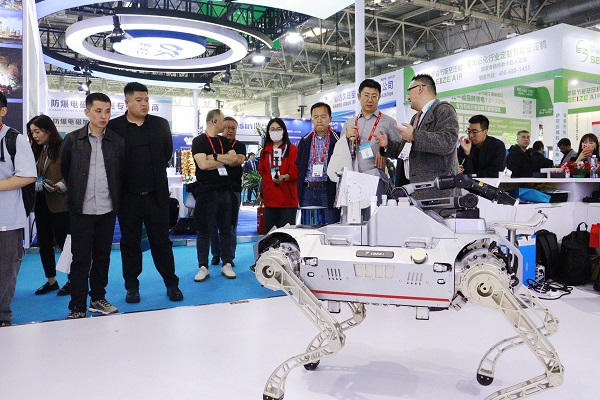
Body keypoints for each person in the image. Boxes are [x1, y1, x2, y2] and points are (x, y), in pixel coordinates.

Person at [107, 82, 183, 304]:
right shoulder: (114, 127)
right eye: (139, 100)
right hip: (128, 198)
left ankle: (172, 284)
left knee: (162, 243)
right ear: (127, 102)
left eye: (147, 100)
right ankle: (132, 287)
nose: (144, 104)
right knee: (130, 244)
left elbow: (166, 153)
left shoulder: (160, 125)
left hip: (156, 197)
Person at [61, 92, 125, 319]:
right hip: (81, 209)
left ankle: (98, 299)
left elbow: (121, 173)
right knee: (80, 259)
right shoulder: (72, 140)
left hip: (107, 209)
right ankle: (77, 306)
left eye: (107, 111)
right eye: (98, 111)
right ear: (87, 112)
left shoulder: (117, 142)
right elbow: (66, 170)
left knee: (102, 257)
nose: (103, 116)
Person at [375, 74, 459, 199]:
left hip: (437, 192)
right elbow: (406, 151)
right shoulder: (416, 117)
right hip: (414, 190)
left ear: (420, 88)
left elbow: (448, 142)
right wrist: (388, 145)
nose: (408, 97)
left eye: (409, 91)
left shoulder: (443, 110)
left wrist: (414, 135)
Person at [0, 92, 37, 326]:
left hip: (8, 218)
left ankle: (2, 314)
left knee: (6, 268)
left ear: (3, 111)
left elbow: (28, 176)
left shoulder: (15, 139)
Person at [191, 109, 239, 282]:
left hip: (225, 191)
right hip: (206, 192)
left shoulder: (224, 141)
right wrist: (223, 159)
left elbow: (234, 160)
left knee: (226, 229)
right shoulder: (199, 141)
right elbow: (203, 165)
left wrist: (215, 156)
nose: (225, 124)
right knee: (204, 230)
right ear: (214, 121)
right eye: (222, 120)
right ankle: (203, 266)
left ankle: (227, 263)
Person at [27, 115, 71, 296]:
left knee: (64, 243)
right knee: (44, 243)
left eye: (37, 131)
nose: (34, 136)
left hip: (60, 203)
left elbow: (72, 173)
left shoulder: (63, 147)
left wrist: (59, 186)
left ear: (48, 130)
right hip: (41, 202)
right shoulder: (34, 150)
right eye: (32, 133)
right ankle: (51, 280)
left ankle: (72, 280)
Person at [342, 79, 399, 199]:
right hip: (351, 179)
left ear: (379, 98)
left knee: (374, 210)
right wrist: (346, 138)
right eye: (366, 95)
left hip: (375, 178)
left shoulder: (389, 122)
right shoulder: (349, 123)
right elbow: (340, 151)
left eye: (374, 96)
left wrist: (384, 151)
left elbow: (399, 150)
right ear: (359, 96)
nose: (370, 100)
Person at [209, 116, 246, 266]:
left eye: (233, 128)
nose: (230, 131)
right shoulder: (214, 143)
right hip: (215, 188)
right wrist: (228, 159)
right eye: (227, 127)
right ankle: (216, 254)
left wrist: (217, 158)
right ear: (221, 128)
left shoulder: (240, 146)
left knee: (231, 225)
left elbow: (238, 160)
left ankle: (229, 256)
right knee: (213, 224)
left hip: (233, 189)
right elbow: (206, 161)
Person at [296, 102, 340, 224]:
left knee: (330, 226)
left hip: (329, 189)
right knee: (308, 227)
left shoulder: (338, 139)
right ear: (311, 119)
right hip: (308, 190)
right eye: (316, 117)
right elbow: (299, 167)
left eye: (323, 116)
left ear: (330, 119)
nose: (319, 120)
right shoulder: (305, 140)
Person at [258, 118, 298, 232]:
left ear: (284, 131)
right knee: (270, 234)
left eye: (278, 129)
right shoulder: (265, 151)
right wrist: (262, 191)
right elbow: (262, 171)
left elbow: (295, 173)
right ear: (268, 132)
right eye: (272, 129)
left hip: (287, 200)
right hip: (270, 199)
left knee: (286, 235)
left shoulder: (292, 150)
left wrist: (283, 177)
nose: (275, 131)